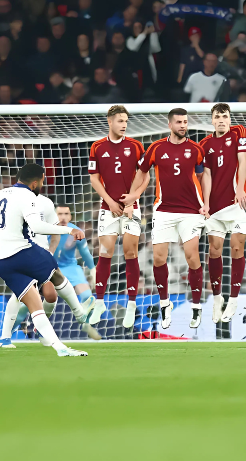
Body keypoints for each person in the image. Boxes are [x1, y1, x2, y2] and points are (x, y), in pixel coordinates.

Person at [0, 163, 93, 357]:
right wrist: (69, 229)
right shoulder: (28, 196)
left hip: (1, 259)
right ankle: (80, 313)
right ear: (35, 182)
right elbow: (37, 226)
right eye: (43, 181)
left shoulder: (0, 194)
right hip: (22, 250)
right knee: (55, 274)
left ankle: (60, 348)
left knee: (34, 305)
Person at [129, 108, 206, 328]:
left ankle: (196, 306)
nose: (183, 125)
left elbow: (202, 176)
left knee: (192, 257)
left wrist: (206, 204)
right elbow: (142, 172)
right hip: (163, 210)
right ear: (170, 124)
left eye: (185, 122)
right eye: (179, 122)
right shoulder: (156, 148)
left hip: (191, 210)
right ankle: (165, 304)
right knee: (158, 258)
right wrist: (132, 198)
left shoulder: (196, 149)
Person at [88, 105, 149, 328]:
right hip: (108, 208)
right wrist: (111, 202)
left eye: (126, 121)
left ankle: (131, 304)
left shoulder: (135, 146)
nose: (124, 125)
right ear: (110, 122)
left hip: (132, 208)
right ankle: (100, 302)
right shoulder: (97, 147)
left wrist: (132, 199)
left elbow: (146, 177)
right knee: (105, 253)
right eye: (120, 121)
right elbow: (94, 179)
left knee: (130, 252)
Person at [199, 104, 246, 324]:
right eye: (217, 117)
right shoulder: (204, 144)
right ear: (212, 120)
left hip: (236, 203)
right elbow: (207, 174)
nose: (221, 120)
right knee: (214, 251)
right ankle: (218, 298)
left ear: (230, 119)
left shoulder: (239, 132)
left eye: (225, 116)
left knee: (237, 248)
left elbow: (243, 161)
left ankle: (234, 299)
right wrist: (206, 204)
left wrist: (240, 188)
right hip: (216, 207)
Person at [0, 194, 61, 348]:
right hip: (23, 253)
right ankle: (5, 337)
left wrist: (50, 253)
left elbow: (55, 231)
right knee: (19, 295)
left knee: (51, 295)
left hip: (41, 255)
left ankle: (39, 329)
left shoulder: (46, 203)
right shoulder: (14, 202)